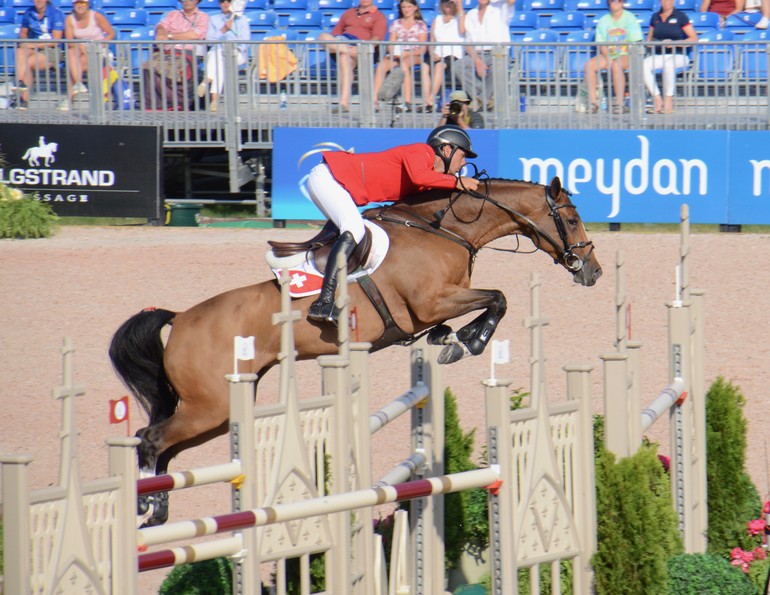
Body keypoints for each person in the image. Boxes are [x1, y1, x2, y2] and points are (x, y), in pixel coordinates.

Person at [305, 125, 479, 325]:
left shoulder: (429, 178)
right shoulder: (422, 152)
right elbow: (419, 176)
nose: (463, 163)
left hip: (338, 184)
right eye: (463, 155)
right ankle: (323, 302)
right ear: (447, 150)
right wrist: (456, 182)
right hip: (327, 177)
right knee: (354, 228)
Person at [317, 0, 387, 112]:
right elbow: (336, 33)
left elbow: (377, 38)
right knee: (322, 36)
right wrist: (344, 46)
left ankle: (344, 102)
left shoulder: (379, 16)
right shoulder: (349, 12)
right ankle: (347, 50)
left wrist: (363, 47)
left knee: (344, 57)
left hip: (362, 46)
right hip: (344, 42)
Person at [143, 0, 209, 110]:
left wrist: (169, 36)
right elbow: (161, 25)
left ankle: (175, 103)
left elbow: (195, 34)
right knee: (148, 66)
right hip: (166, 51)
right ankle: (154, 104)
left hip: (187, 51)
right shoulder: (173, 14)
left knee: (172, 68)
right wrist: (160, 32)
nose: (187, 1)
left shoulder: (202, 17)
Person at [583, 0, 642, 114]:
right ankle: (593, 103)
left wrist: (618, 57)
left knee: (617, 65)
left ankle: (619, 103)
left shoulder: (630, 18)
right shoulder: (604, 20)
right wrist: (609, 56)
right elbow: (601, 43)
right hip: (609, 54)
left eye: (619, 0)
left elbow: (635, 42)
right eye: (613, 0)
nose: (616, 2)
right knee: (589, 65)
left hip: (627, 54)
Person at [456, 0, 514, 112]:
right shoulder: (471, 14)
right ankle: (486, 97)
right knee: (458, 66)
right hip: (477, 53)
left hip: (497, 52)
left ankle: (480, 100)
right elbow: (468, 43)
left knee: (497, 69)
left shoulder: (500, 8)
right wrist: (477, 61)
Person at [373, 0, 430, 113]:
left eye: (409, 6)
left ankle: (407, 101)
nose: (406, 9)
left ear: (415, 8)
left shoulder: (420, 25)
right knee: (382, 65)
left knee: (405, 64)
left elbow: (422, 49)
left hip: (414, 54)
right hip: (398, 54)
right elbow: (391, 44)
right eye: (404, 7)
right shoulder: (396, 24)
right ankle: (374, 100)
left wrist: (407, 54)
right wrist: (394, 52)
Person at [643, 0, 697, 115]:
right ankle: (657, 98)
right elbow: (648, 40)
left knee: (669, 64)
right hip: (659, 54)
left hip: (679, 54)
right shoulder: (655, 17)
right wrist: (657, 43)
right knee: (644, 64)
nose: (666, 2)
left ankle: (668, 100)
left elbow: (693, 38)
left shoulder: (681, 17)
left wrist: (675, 43)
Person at [59, 0, 115, 111]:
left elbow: (111, 33)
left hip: (98, 49)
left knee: (73, 66)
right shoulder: (70, 19)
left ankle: (70, 98)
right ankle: (78, 84)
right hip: (81, 50)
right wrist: (81, 47)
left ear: (88, 4)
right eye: (77, 3)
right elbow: (70, 41)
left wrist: (98, 45)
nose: (80, 6)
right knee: (71, 53)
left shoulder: (96, 16)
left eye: (83, 3)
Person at [197, 0, 250, 112]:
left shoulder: (242, 19)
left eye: (228, 1)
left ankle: (206, 81)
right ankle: (215, 100)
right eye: (222, 1)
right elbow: (210, 41)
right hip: (218, 52)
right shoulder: (214, 19)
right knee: (220, 59)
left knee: (222, 53)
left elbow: (245, 41)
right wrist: (223, 30)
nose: (225, 4)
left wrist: (230, 43)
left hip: (236, 53)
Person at [14, 0, 65, 110]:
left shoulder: (56, 13)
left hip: (51, 49)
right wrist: (24, 41)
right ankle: (20, 84)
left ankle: (23, 97)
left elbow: (56, 41)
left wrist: (32, 45)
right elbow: (23, 32)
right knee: (20, 52)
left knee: (27, 62)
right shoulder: (29, 12)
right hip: (34, 46)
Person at [428, 0, 465, 108]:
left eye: (450, 2)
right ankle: (427, 100)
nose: (447, 5)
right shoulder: (437, 19)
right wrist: (432, 53)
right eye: (445, 2)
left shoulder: (461, 18)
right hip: (438, 54)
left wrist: (460, 7)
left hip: (454, 55)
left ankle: (430, 99)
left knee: (440, 66)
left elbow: (463, 30)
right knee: (425, 67)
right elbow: (432, 41)